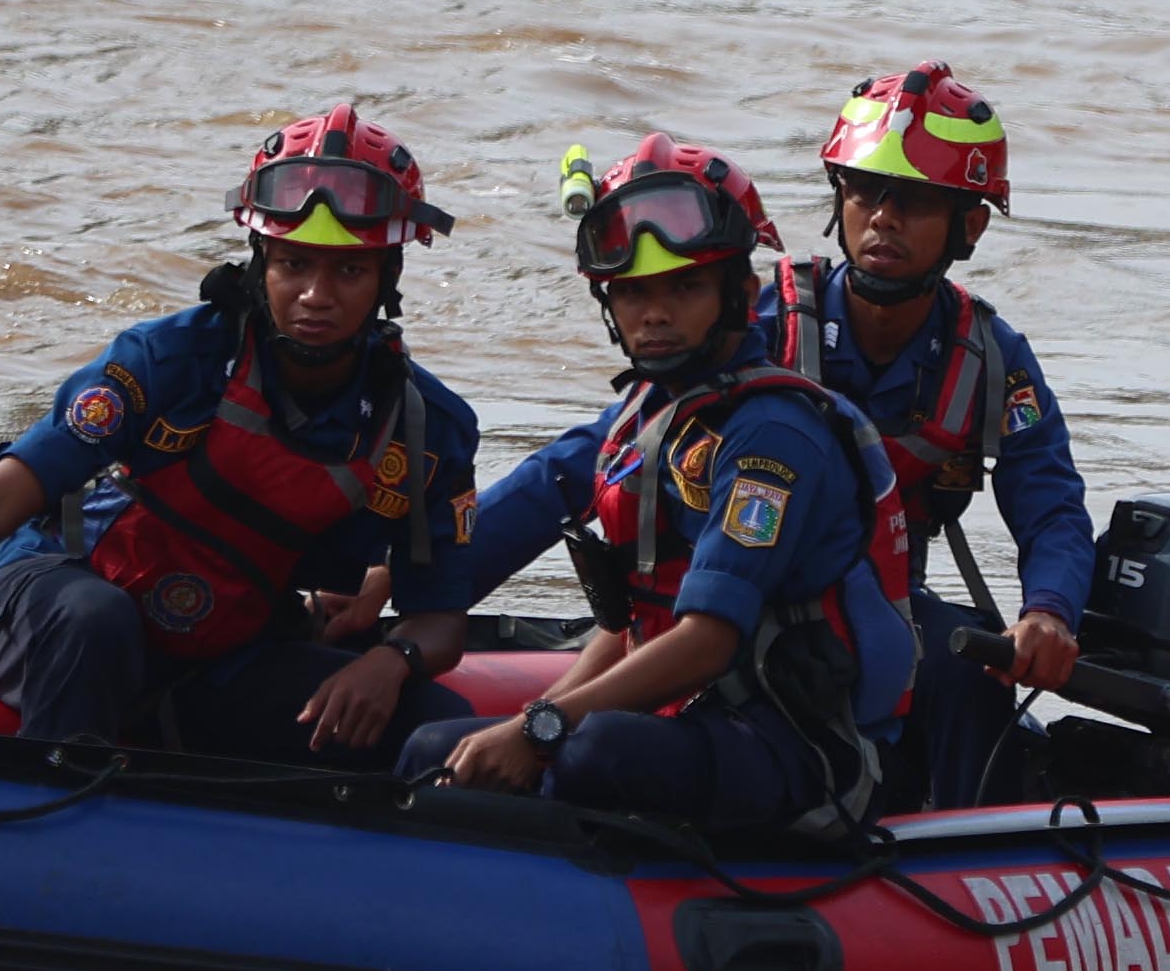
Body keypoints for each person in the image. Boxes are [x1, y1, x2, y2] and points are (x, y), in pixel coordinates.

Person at [0, 105, 481, 766]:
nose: (316, 295)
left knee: (435, 725)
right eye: (293, 264)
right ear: (261, 264)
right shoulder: (170, 360)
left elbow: (440, 618)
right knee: (100, 624)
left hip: (221, 647)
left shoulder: (425, 428)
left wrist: (393, 661)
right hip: (58, 598)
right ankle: (50, 826)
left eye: (348, 272)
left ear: (386, 277)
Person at [401, 135, 916, 835]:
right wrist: (530, 721)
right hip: (697, 720)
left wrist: (540, 731)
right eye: (634, 292)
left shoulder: (773, 437)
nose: (655, 313)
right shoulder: (653, 415)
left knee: (594, 751)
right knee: (435, 750)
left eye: (685, 286)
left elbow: (704, 641)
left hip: (795, 742)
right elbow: (630, 628)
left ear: (742, 295)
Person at [763, 60, 1096, 809]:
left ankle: (975, 877)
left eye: (911, 200)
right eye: (862, 190)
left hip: (892, 611)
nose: (881, 216)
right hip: (747, 591)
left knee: (973, 672)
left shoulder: (993, 359)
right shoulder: (761, 327)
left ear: (969, 224)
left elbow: (1053, 510)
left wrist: (1046, 611)